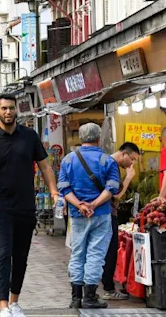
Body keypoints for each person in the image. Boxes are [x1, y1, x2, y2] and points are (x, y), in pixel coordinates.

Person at [0, 94, 60, 317]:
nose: (8, 112)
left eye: (11, 108)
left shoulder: (29, 137)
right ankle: (3, 305)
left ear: (17, 110)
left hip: (25, 206)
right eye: (4, 108)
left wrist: (53, 191)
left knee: (21, 255)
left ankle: (15, 301)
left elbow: (44, 166)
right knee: (4, 253)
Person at [57, 123, 122, 309]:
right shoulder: (107, 160)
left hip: (77, 215)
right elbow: (112, 188)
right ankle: (90, 296)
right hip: (101, 214)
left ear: (81, 138)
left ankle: (76, 297)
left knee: (77, 253)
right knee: (95, 254)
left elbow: (64, 188)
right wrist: (94, 204)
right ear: (99, 138)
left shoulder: (68, 160)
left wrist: (79, 205)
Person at [100, 142, 140, 300]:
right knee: (110, 251)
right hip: (107, 213)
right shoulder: (112, 166)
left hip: (100, 212)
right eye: (132, 159)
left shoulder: (104, 161)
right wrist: (129, 178)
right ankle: (108, 289)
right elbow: (116, 195)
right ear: (123, 154)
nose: (132, 163)